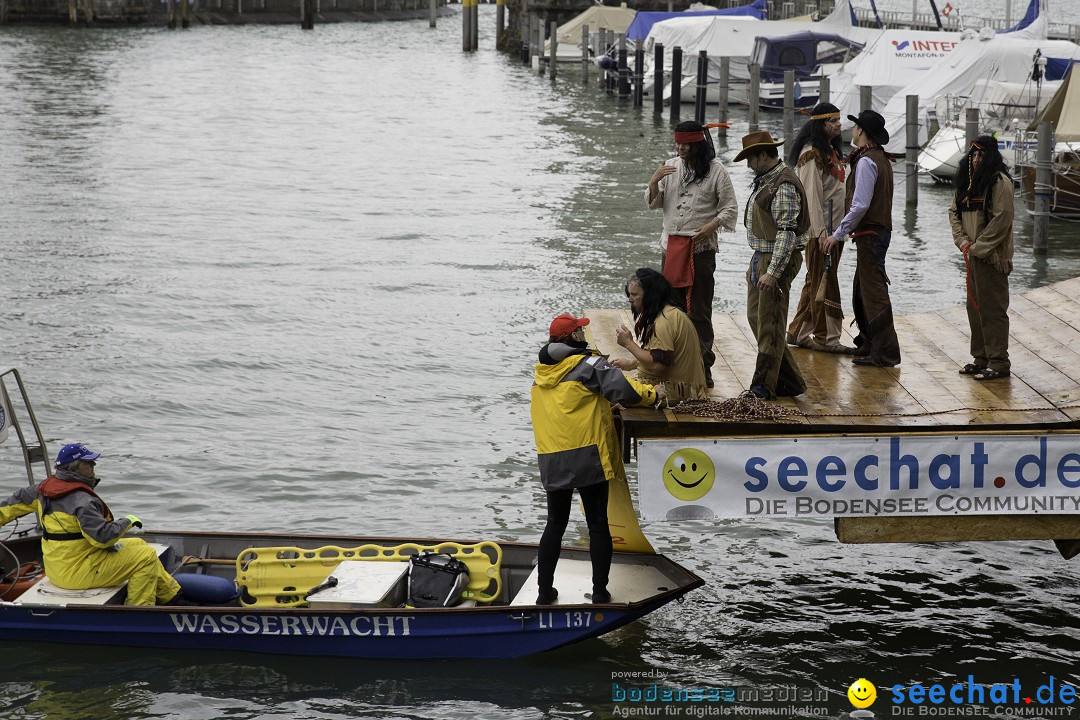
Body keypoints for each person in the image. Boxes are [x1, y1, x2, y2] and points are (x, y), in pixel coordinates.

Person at [531, 313, 660, 605]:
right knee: (598, 524)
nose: (584, 333)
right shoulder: (589, 364)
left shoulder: (542, 372)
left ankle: (543, 593)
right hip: (587, 456)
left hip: (553, 457)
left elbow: (574, 403)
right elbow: (625, 391)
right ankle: (600, 592)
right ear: (573, 338)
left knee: (554, 524)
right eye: (580, 330)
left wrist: (603, 407)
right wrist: (654, 394)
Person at [0, 443, 185, 606]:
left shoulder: (41, 491)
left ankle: (171, 596)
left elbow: (7, 509)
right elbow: (103, 538)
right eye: (88, 463)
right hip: (76, 572)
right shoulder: (82, 501)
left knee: (138, 544)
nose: (93, 466)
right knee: (144, 556)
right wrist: (127, 521)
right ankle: (139, 611)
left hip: (57, 567)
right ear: (74, 468)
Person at [645, 120, 739, 389]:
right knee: (670, 309)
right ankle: (672, 363)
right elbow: (654, 203)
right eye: (677, 143)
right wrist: (654, 180)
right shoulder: (669, 167)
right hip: (671, 249)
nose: (680, 148)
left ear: (697, 144)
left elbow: (729, 208)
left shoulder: (717, 171)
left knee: (698, 309)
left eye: (685, 144)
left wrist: (710, 227)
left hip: (701, 251)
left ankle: (702, 364)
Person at [821, 110, 901, 368]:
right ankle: (868, 341)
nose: (852, 131)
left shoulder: (867, 161)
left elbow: (860, 205)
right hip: (874, 233)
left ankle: (886, 352)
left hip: (871, 233)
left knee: (874, 291)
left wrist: (837, 234)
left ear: (862, 132)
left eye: (855, 128)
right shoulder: (879, 159)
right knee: (862, 288)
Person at [735, 130, 809, 400]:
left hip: (776, 258)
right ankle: (789, 380)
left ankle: (763, 387)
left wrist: (773, 271)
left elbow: (786, 233)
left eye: (750, 158)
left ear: (764, 155)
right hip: (762, 255)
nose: (748, 164)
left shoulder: (784, 184)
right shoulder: (768, 179)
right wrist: (756, 264)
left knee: (770, 323)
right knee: (756, 317)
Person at [785, 102, 854, 354]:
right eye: (832, 121)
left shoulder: (830, 152)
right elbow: (811, 197)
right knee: (824, 282)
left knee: (815, 280)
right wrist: (821, 233)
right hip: (822, 233)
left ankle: (798, 331)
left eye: (838, 120)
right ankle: (827, 338)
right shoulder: (810, 154)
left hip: (834, 232)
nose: (838, 124)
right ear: (820, 125)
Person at [948, 135, 1014, 381]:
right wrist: (962, 241)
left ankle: (998, 362)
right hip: (972, 254)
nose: (976, 160)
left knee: (992, 309)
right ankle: (981, 358)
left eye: (981, 156)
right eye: (973, 155)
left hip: (992, 257)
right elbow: (954, 212)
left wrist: (979, 248)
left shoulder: (1000, 182)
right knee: (974, 309)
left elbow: (1002, 220)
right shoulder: (966, 183)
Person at [612, 268, 710, 405]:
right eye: (629, 294)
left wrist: (628, 343)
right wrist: (631, 364)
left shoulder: (663, 321)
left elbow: (658, 366)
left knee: (610, 394)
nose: (630, 299)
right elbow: (663, 357)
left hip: (674, 391)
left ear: (649, 295)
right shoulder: (667, 311)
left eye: (634, 294)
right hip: (677, 386)